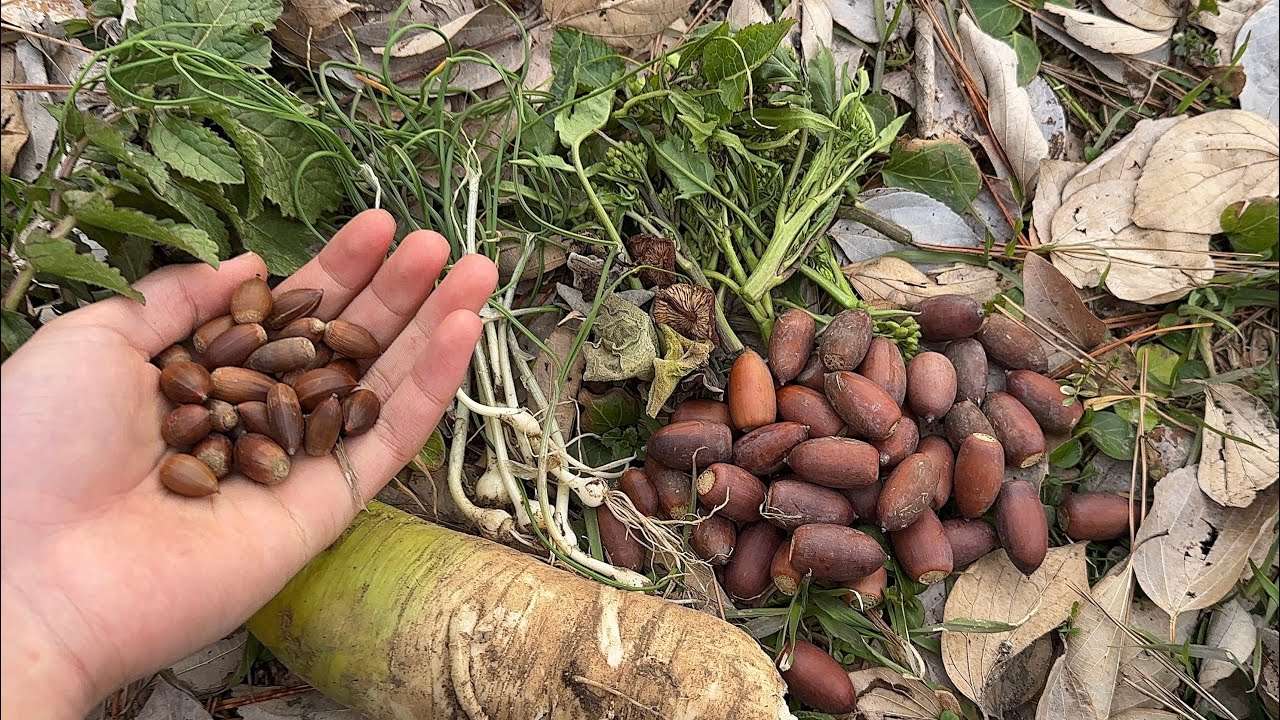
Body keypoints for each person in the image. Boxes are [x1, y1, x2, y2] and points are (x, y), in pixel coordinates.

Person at [0, 210, 498, 718]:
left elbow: (294, 392)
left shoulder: (277, 380)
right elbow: (241, 392)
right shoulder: (225, 391)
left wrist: (48, 617)